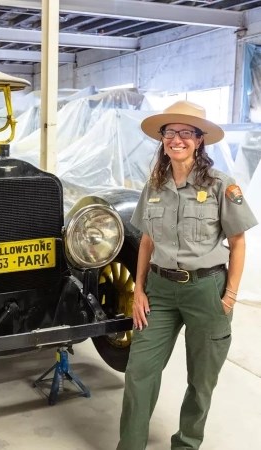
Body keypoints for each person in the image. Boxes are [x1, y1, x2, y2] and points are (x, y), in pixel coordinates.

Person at [117, 101, 258, 450]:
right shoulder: (154, 185)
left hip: (206, 290)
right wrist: (138, 291)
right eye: (170, 132)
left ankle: (187, 444)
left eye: (185, 133)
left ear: (199, 140)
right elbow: (147, 241)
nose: (176, 139)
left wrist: (230, 296)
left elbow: (238, 243)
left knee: (201, 380)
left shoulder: (220, 185)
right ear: (162, 139)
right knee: (139, 373)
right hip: (160, 291)